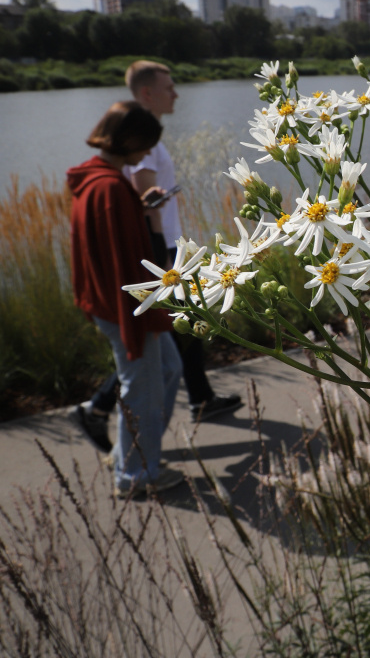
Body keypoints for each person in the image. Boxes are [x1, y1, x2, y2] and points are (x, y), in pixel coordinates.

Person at [72, 62, 242, 454]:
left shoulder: (129, 150)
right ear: (146, 93)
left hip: (158, 251)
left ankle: (195, 401)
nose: (176, 94)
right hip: (155, 256)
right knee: (162, 342)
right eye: (169, 87)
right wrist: (161, 253)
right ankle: (111, 427)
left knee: (169, 349)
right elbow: (137, 208)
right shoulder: (132, 154)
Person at [68, 101, 186, 497]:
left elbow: (109, 244)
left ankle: (129, 457)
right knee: (143, 388)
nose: (146, 155)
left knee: (168, 368)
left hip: (117, 303)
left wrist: (140, 207)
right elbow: (126, 261)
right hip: (129, 308)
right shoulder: (109, 187)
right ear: (130, 141)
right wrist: (136, 322)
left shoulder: (97, 180)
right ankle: (135, 475)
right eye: (144, 146)